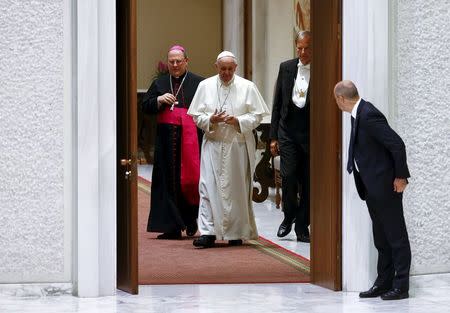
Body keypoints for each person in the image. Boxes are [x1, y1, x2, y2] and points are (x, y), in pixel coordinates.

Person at [334, 80, 412, 301]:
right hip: (372, 186)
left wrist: (400, 176)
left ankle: (401, 285)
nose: (336, 103)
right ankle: (384, 281)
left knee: (395, 236)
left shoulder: (368, 115)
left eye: (335, 100)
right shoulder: (356, 114)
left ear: (341, 98)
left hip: (386, 185)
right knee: (381, 237)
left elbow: (397, 144)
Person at [187, 51, 269, 248]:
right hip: (213, 145)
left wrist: (238, 121)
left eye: (230, 69)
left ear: (236, 68)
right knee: (208, 187)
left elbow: (257, 115)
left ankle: (236, 232)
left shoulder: (247, 87)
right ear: (216, 67)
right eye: (222, 69)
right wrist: (210, 120)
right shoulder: (204, 86)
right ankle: (208, 232)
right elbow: (196, 116)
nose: (226, 73)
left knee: (237, 191)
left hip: (237, 147)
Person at [142, 45, 204, 240]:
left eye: (179, 61)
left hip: (191, 140)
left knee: (190, 181)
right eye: (172, 61)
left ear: (186, 61)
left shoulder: (199, 83)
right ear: (167, 62)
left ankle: (191, 219)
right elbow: (146, 106)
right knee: (167, 182)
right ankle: (171, 227)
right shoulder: (159, 83)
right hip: (166, 142)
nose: (175, 65)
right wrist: (159, 99)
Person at [269, 30, 312, 242]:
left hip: (311, 134)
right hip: (287, 132)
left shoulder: (322, 69)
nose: (303, 52)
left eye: (307, 48)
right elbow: (277, 103)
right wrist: (273, 137)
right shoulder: (286, 67)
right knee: (288, 177)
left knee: (307, 181)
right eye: (299, 47)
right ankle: (288, 217)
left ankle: (303, 227)